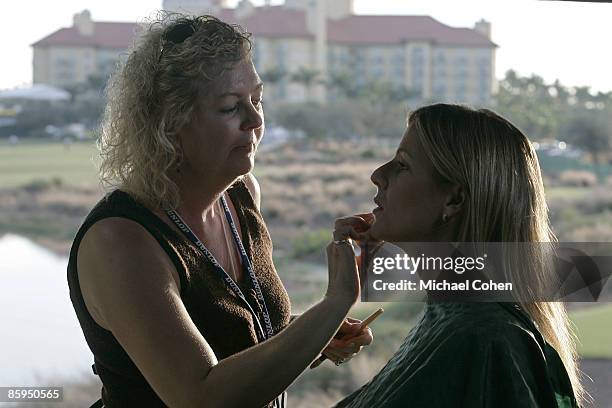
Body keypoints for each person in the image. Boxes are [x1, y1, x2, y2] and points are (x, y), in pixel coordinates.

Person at [66, 13, 372, 408]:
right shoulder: (121, 239)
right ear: (169, 123)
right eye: (230, 108)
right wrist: (336, 300)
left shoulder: (242, 196)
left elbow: (237, 335)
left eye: (257, 100)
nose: (256, 120)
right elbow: (202, 397)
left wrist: (316, 333)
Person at [332, 104, 582, 407]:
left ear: (454, 200)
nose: (377, 175)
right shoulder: (454, 319)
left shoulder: (484, 339)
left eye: (402, 164)